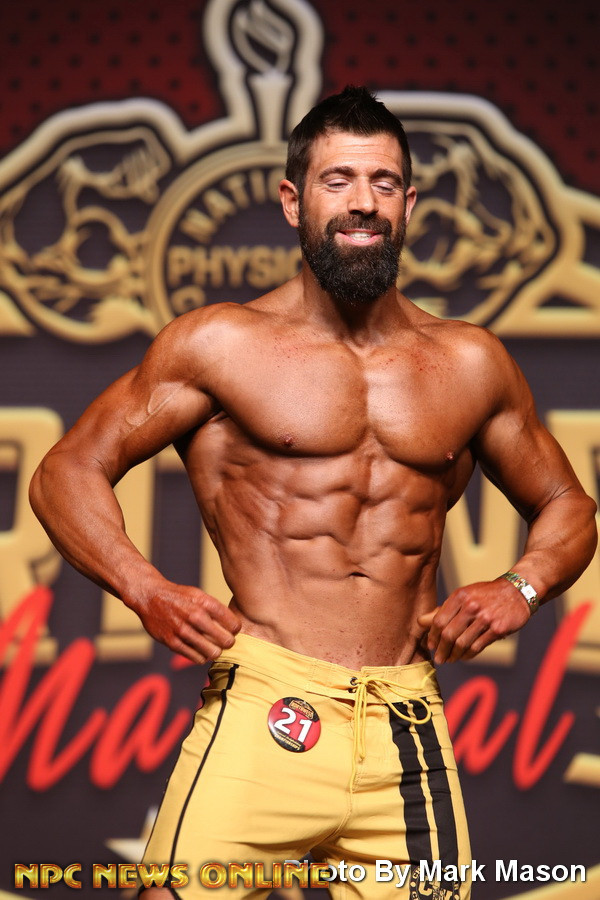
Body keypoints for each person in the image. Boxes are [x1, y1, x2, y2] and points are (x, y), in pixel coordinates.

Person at [30, 87, 597, 900]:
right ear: (294, 201)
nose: (362, 202)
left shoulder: (471, 363)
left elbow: (570, 505)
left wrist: (523, 584)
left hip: (404, 718)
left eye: (383, 182)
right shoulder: (221, 344)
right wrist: (143, 588)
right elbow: (66, 470)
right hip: (266, 703)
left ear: (409, 204)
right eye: (338, 180)